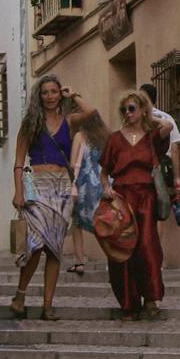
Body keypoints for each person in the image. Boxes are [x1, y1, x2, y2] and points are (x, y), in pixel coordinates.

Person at [100, 90, 171, 321]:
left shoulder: (151, 136)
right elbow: (104, 172)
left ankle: (150, 299)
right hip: (122, 198)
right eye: (124, 110)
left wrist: (150, 117)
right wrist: (106, 188)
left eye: (132, 108)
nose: (128, 114)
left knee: (148, 247)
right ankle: (128, 304)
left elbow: (168, 126)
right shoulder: (115, 139)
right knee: (123, 250)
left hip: (146, 197)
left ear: (141, 110)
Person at [11, 75, 75, 320]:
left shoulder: (69, 121)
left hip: (62, 188)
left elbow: (92, 115)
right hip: (37, 185)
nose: (49, 96)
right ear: (39, 96)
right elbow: (18, 161)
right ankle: (20, 293)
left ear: (60, 94)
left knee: (54, 249)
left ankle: (48, 305)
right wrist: (18, 191)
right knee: (35, 246)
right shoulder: (31, 123)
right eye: (45, 92)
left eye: (54, 92)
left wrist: (74, 95)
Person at [68, 104, 109, 277]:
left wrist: (72, 185)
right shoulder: (106, 137)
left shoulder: (80, 136)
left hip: (84, 185)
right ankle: (111, 260)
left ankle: (79, 262)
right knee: (103, 224)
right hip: (102, 184)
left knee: (77, 223)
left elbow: (74, 164)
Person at [140, 82, 180, 208]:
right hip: (164, 168)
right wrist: (177, 178)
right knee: (159, 204)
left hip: (143, 169)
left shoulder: (134, 119)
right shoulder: (167, 118)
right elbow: (174, 148)